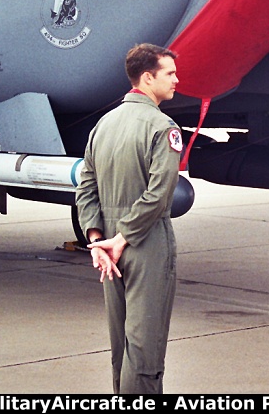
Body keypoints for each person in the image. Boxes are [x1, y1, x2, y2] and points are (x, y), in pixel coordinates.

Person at [75, 43, 183, 393]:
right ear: (148, 78)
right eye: (169, 73)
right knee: (145, 348)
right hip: (144, 243)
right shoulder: (162, 126)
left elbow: (85, 188)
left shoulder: (103, 125)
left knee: (120, 345)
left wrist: (96, 241)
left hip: (107, 247)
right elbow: (159, 194)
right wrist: (123, 239)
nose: (176, 80)